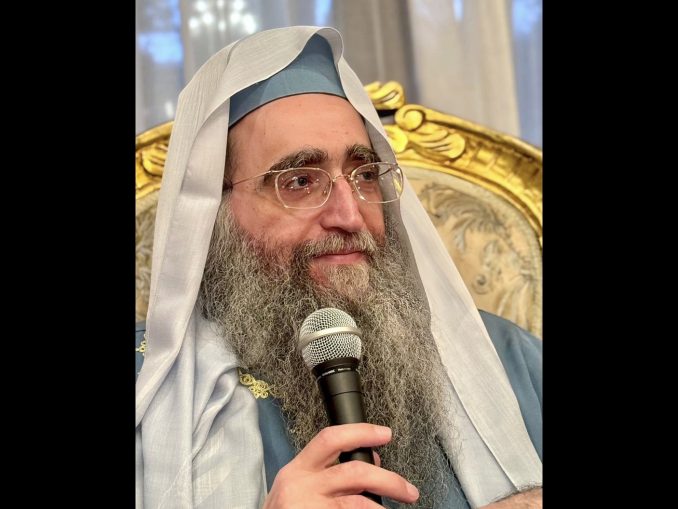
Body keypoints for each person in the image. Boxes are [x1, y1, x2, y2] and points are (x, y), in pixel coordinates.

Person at [135, 26, 542, 509]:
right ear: (212, 214)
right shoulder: (146, 393)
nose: (350, 216)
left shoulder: (511, 360)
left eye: (365, 174)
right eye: (299, 181)